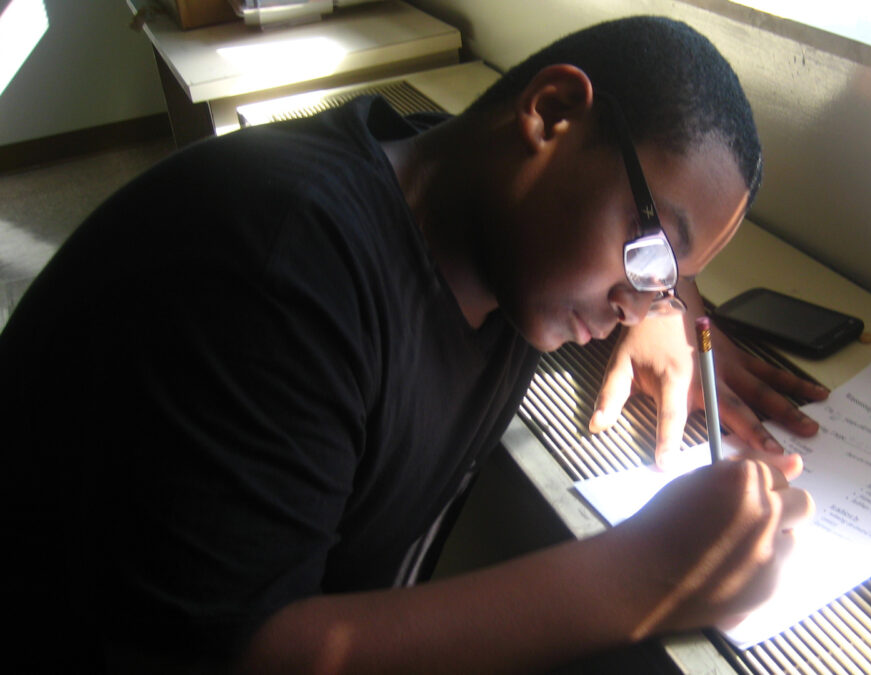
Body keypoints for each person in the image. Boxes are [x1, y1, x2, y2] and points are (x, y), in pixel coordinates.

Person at [1, 16, 828, 674]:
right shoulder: (278, 273)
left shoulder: (484, 208)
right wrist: (646, 574)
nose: (636, 300)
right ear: (550, 114)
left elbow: (636, 213)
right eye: (650, 257)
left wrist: (665, 305)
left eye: (669, 279)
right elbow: (234, 654)